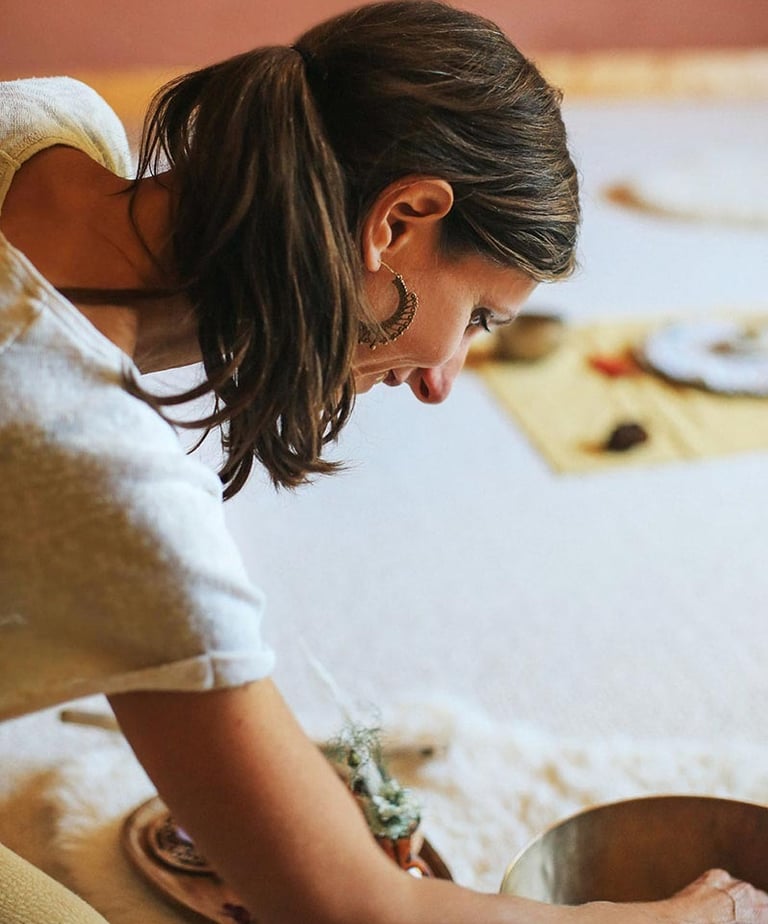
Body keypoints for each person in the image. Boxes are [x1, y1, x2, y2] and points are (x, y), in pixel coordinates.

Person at [0, 2, 765, 922]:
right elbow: (358, 911)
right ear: (400, 219)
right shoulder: (96, 462)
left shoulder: (46, 121)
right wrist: (660, 918)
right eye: (478, 317)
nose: (444, 382)